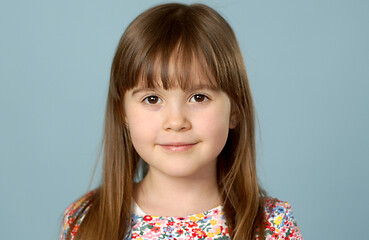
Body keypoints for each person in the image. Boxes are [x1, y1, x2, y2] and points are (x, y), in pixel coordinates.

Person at [60, 3, 303, 240]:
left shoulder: (271, 227)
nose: (176, 122)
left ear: (235, 111)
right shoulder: (86, 220)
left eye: (199, 97)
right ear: (123, 113)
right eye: (152, 98)